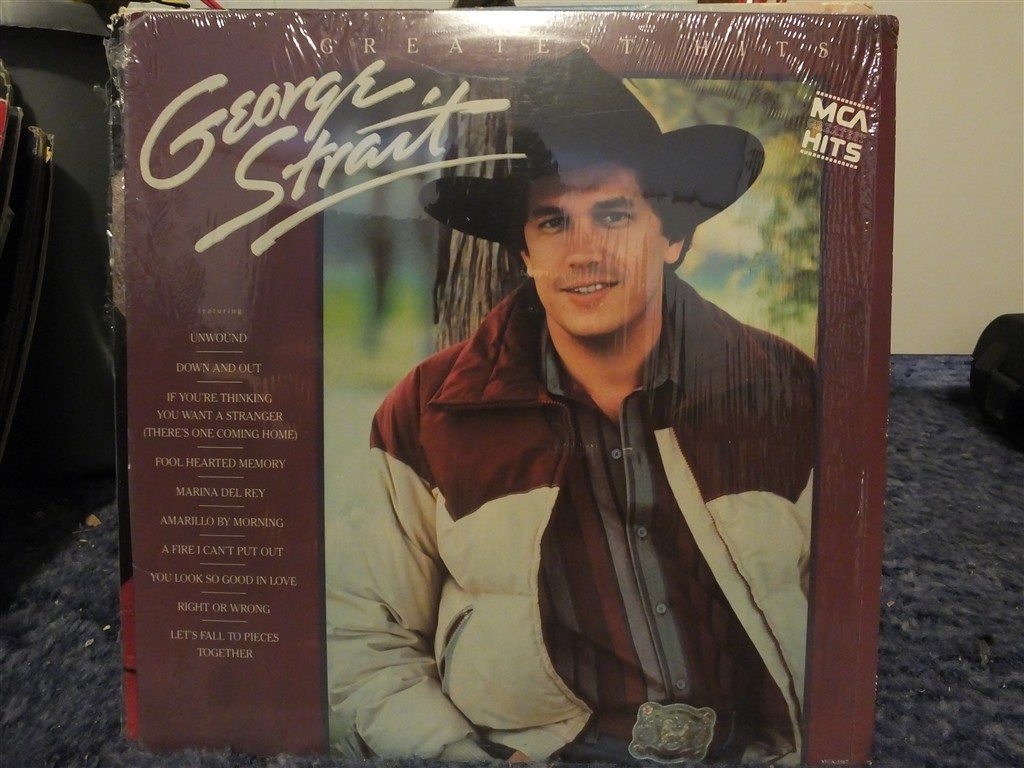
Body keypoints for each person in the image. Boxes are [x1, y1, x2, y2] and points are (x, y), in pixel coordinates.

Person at [327, 50, 816, 765]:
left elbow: (838, 602)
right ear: (525, 253)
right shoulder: (428, 412)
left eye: (613, 215)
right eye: (553, 223)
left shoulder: (780, 386)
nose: (582, 252)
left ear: (673, 235)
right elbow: (362, 636)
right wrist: (459, 757)